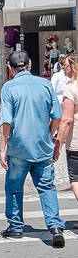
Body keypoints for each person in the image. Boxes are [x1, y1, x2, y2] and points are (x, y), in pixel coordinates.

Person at [0, 49, 65, 246]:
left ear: (10, 69)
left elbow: (6, 122)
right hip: (42, 146)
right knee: (46, 187)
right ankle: (54, 226)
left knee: (13, 188)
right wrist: (50, 135)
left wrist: (2, 148)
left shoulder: (9, 88)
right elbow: (58, 116)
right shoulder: (45, 84)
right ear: (29, 65)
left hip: (18, 148)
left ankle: (16, 226)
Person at [56, 56, 78, 215]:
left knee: (76, 180)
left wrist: (59, 142)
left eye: (66, 66)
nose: (64, 68)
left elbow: (67, 120)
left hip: (76, 141)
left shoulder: (71, 88)